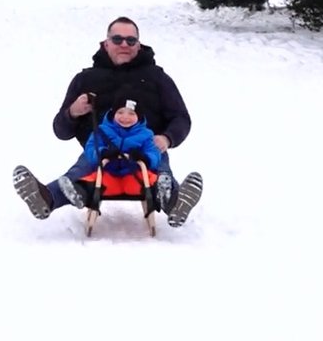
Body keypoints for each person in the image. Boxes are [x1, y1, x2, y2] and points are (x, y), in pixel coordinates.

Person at [13, 16, 203, 228]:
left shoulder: (157, 78)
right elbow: (61, 130)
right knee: (77, 175)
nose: (124, 44)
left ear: (138, 45)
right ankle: (46, 198)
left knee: (161, 175)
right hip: (100, 151)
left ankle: (176, 204)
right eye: (118, 39)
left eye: (131, 41)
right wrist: (73, 112)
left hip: (147, 147)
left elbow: (181, 117)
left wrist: (167, 138)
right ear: (106, 43)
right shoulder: (85, 80)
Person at [56, 95, 162, 209]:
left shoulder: (146, 135)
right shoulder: (102, 131)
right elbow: (91, 148)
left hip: (135, 177)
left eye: (131, 114)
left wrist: (145, 157)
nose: (125, 117)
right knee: (90, 181)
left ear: (139, 117)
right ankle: (78, 194)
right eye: (120, 112)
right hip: (108, 176)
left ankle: (165, 196)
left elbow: (154, 152)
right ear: (113, 113)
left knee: (152, 181)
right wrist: (102, 152)